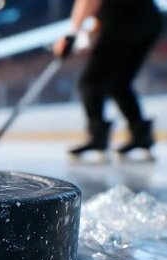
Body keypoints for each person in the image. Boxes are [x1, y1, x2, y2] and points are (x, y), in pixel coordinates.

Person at [54, 0, 162, 160]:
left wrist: (72, 33)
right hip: (149, 21)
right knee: (118, 82)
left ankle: (98, 137)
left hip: (122, 20)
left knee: (90, 81)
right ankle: (141, 136)